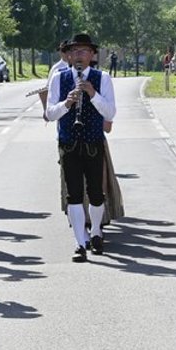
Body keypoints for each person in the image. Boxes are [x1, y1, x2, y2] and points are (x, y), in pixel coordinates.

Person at [46, 33, 116, 262]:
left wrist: (92, 94)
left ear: (92, 55)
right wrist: (67, 103)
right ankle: (79, 242)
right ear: (69, 55)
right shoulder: (59, 78)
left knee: (96, 193)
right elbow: (50, 113)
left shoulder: (102, 78)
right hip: (68, 143)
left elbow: (110, 112)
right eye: (75, 51)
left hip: (93, 142)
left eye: (84, 51)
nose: (78, 55)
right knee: (74, 194)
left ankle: (95, 231)